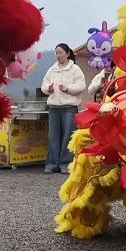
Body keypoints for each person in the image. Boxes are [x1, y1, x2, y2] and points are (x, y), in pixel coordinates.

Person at [40, 43, 86, 174]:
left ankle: (66, 164)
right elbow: (44, 84)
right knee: (53, 137)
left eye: (60, 52)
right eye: (56, 53)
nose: (58, 55)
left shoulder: (75, 69)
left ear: (67, 53)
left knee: (68, 137)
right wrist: (48, 88)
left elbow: (81, 86)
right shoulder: (52, 69)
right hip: (54, 107)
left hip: (69, 108)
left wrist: (68, 88)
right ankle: (51, 164)